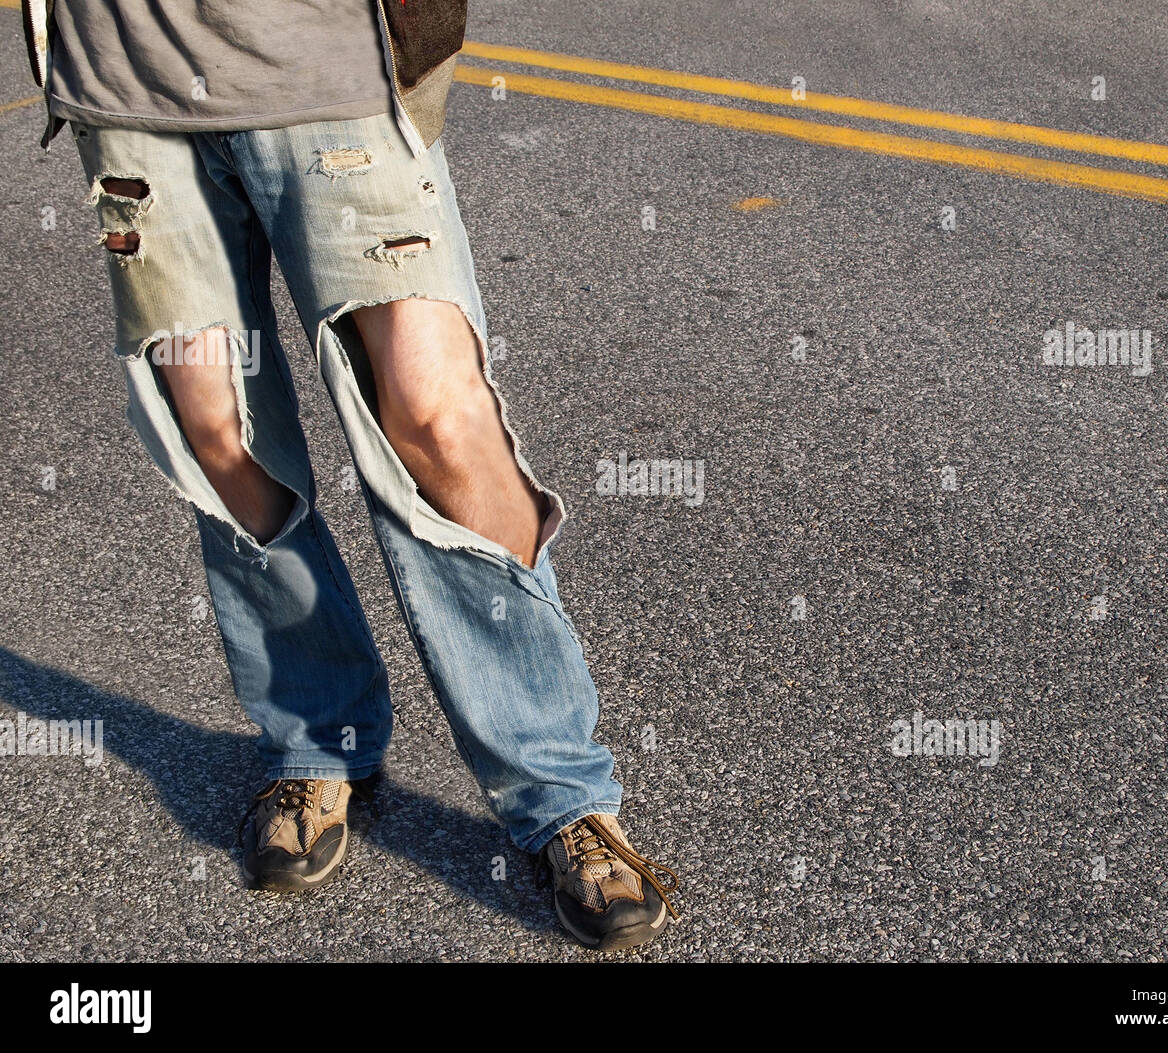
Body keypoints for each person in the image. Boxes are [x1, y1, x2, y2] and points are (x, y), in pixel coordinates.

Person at [20, 0, 679, 953]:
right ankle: (318, 735)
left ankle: (560, 785)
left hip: (327, 61)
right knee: (212, 426)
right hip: (128, 77)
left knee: (436, 415)